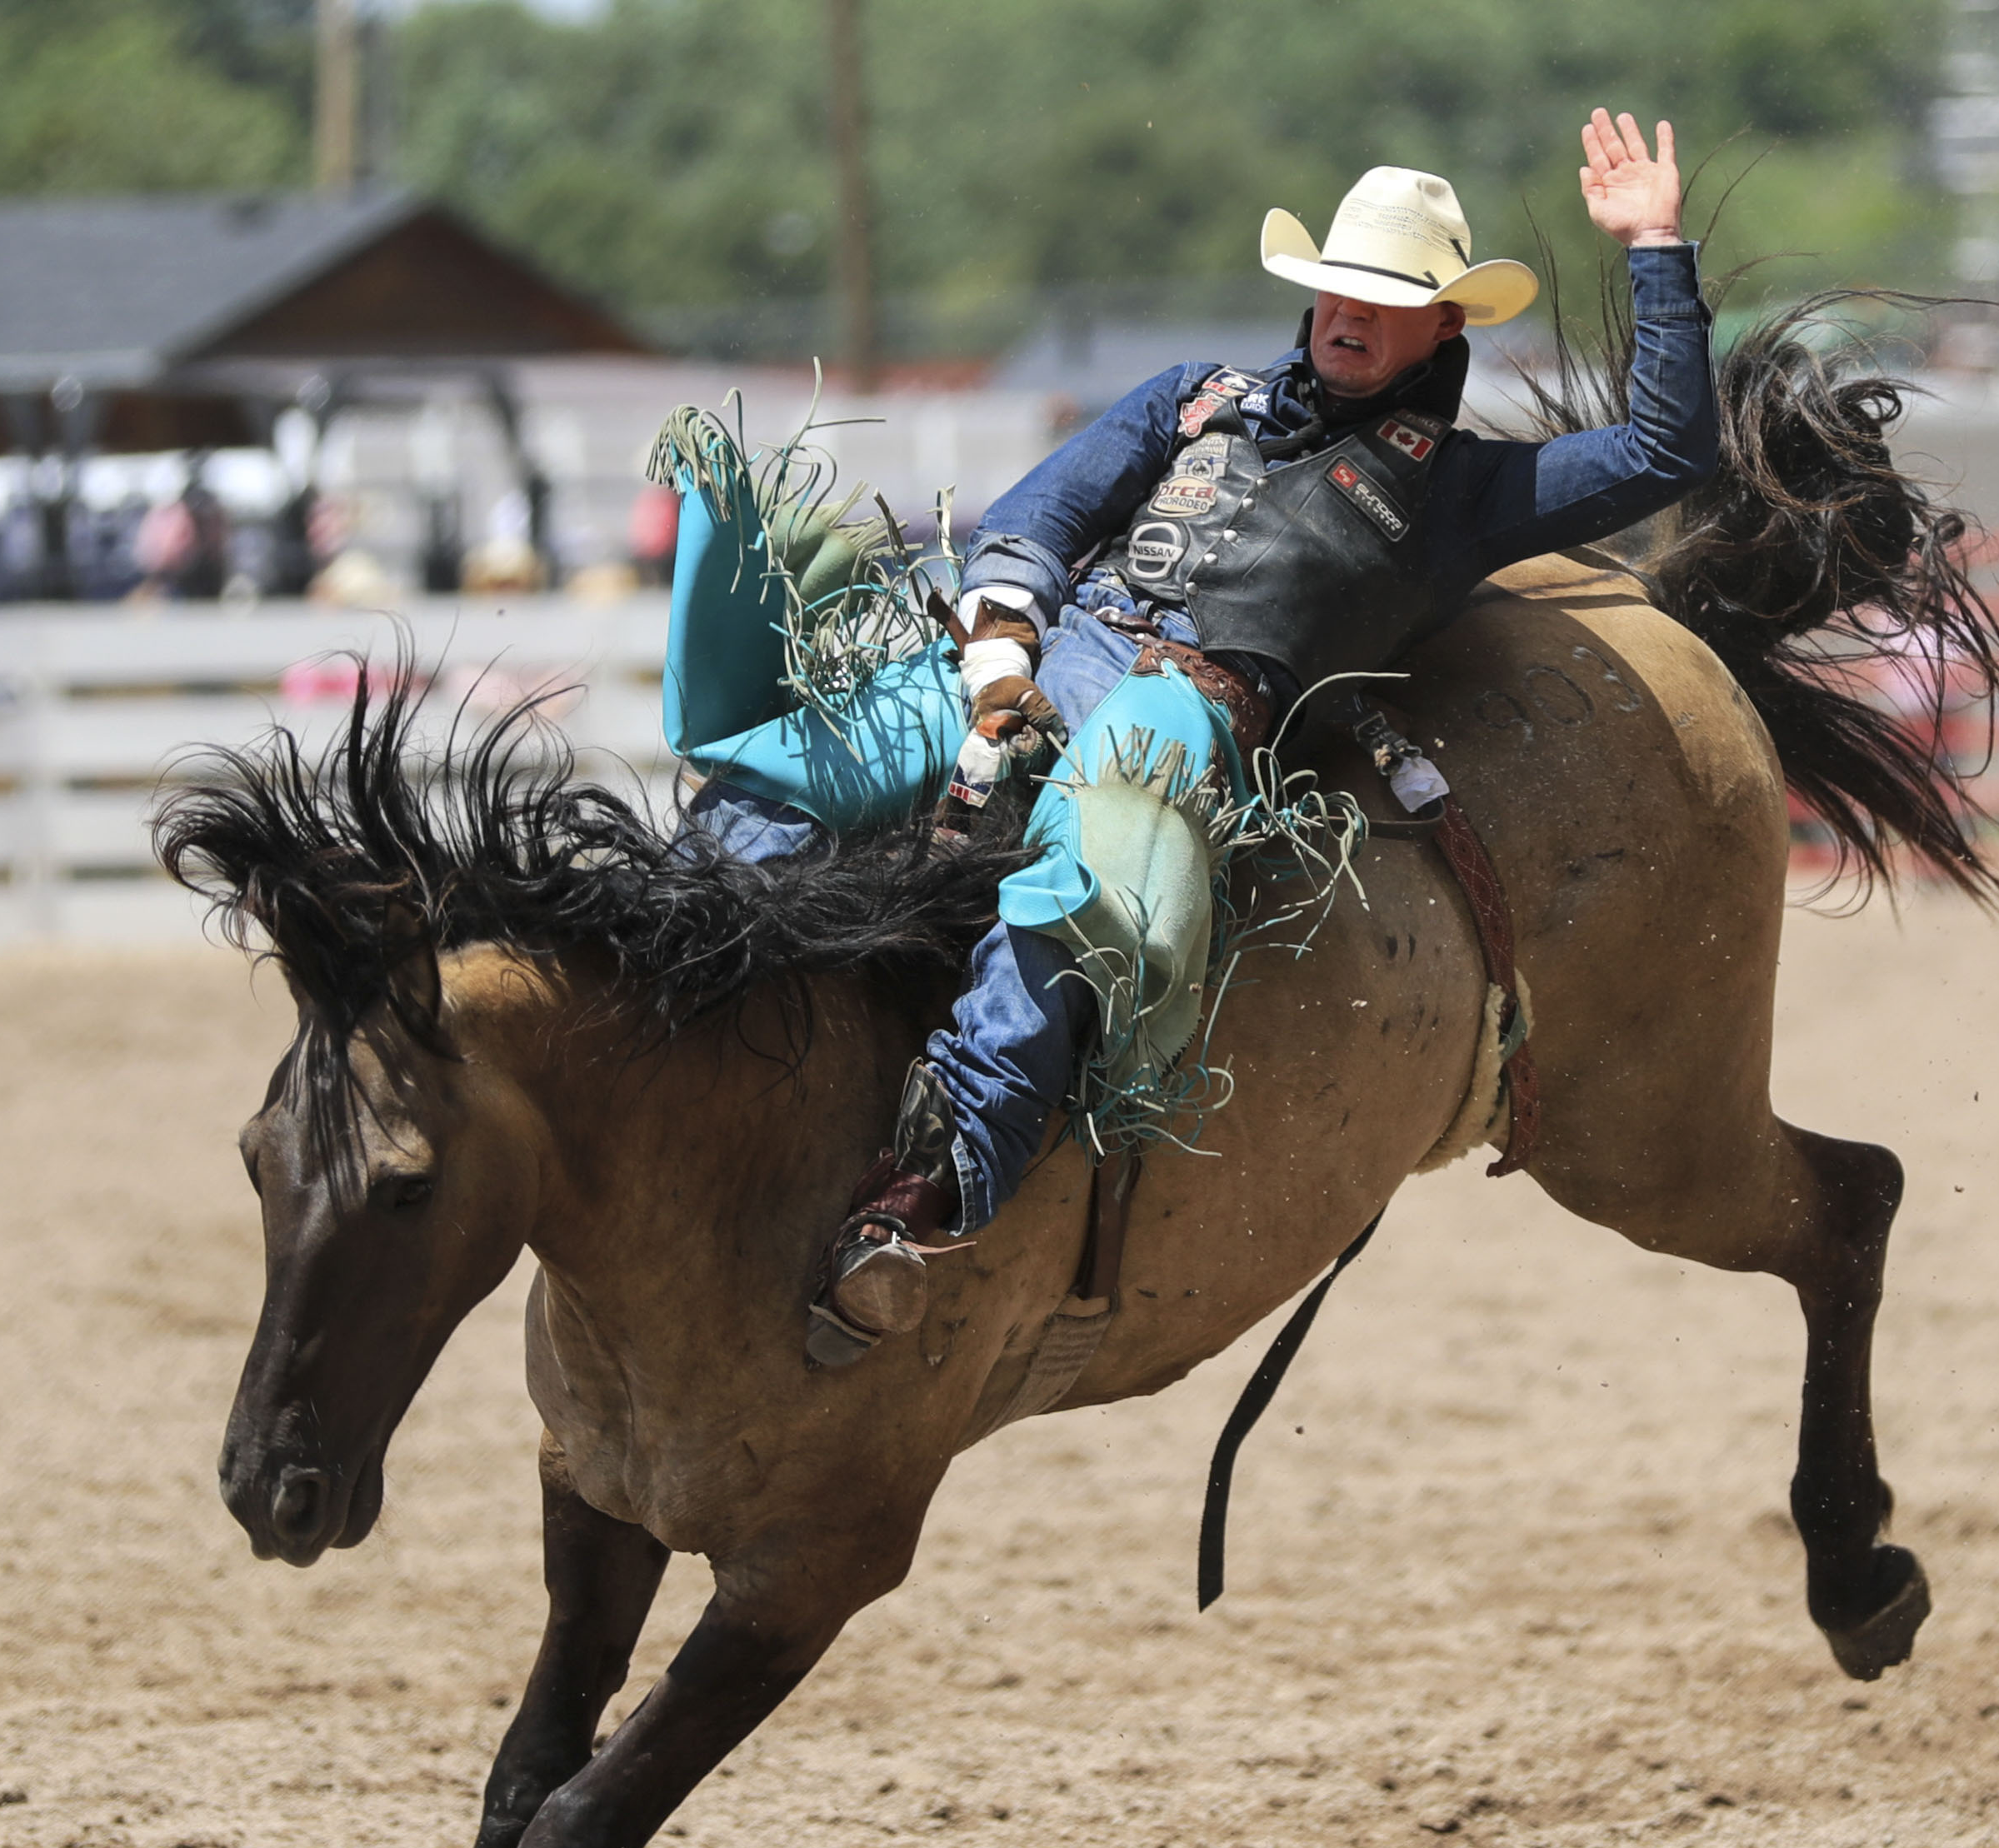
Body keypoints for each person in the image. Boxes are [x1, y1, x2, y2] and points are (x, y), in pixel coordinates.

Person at [692, 112, 1721, 1362]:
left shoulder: (1462, 491)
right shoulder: (1191, 397)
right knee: (786, 773)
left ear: (1444, 327)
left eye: (1385, 297)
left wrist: (1654, 247)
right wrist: (1003, 651)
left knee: (1094, 880)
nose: (1348, 312)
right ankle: (670, 1001)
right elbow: (1041, 514)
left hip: (1188, 712)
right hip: (1034, 658)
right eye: (1337, 285)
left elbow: (1670, 446)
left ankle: (932, 1192)